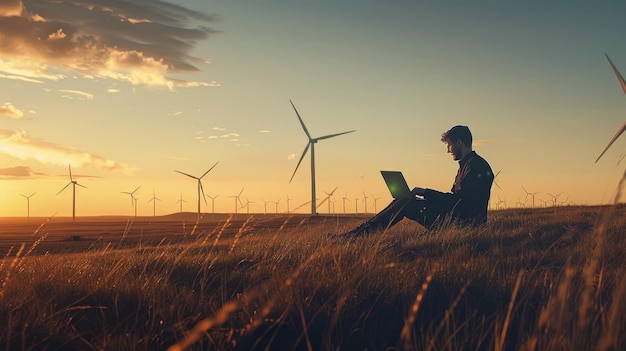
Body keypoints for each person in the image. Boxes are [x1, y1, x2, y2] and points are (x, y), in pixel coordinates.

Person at [333, 125, 494, 237]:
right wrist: (423, 195)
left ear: (459, 143)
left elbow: (458, 203)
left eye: (450, 145)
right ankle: (359, 233)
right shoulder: (466, 165)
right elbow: (456, 201)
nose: (448, 150)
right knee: (403, 200)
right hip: (457, 218)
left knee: (404, 203)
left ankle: (357, 235)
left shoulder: (476, 166)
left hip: (464, 224)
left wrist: (425, 193)